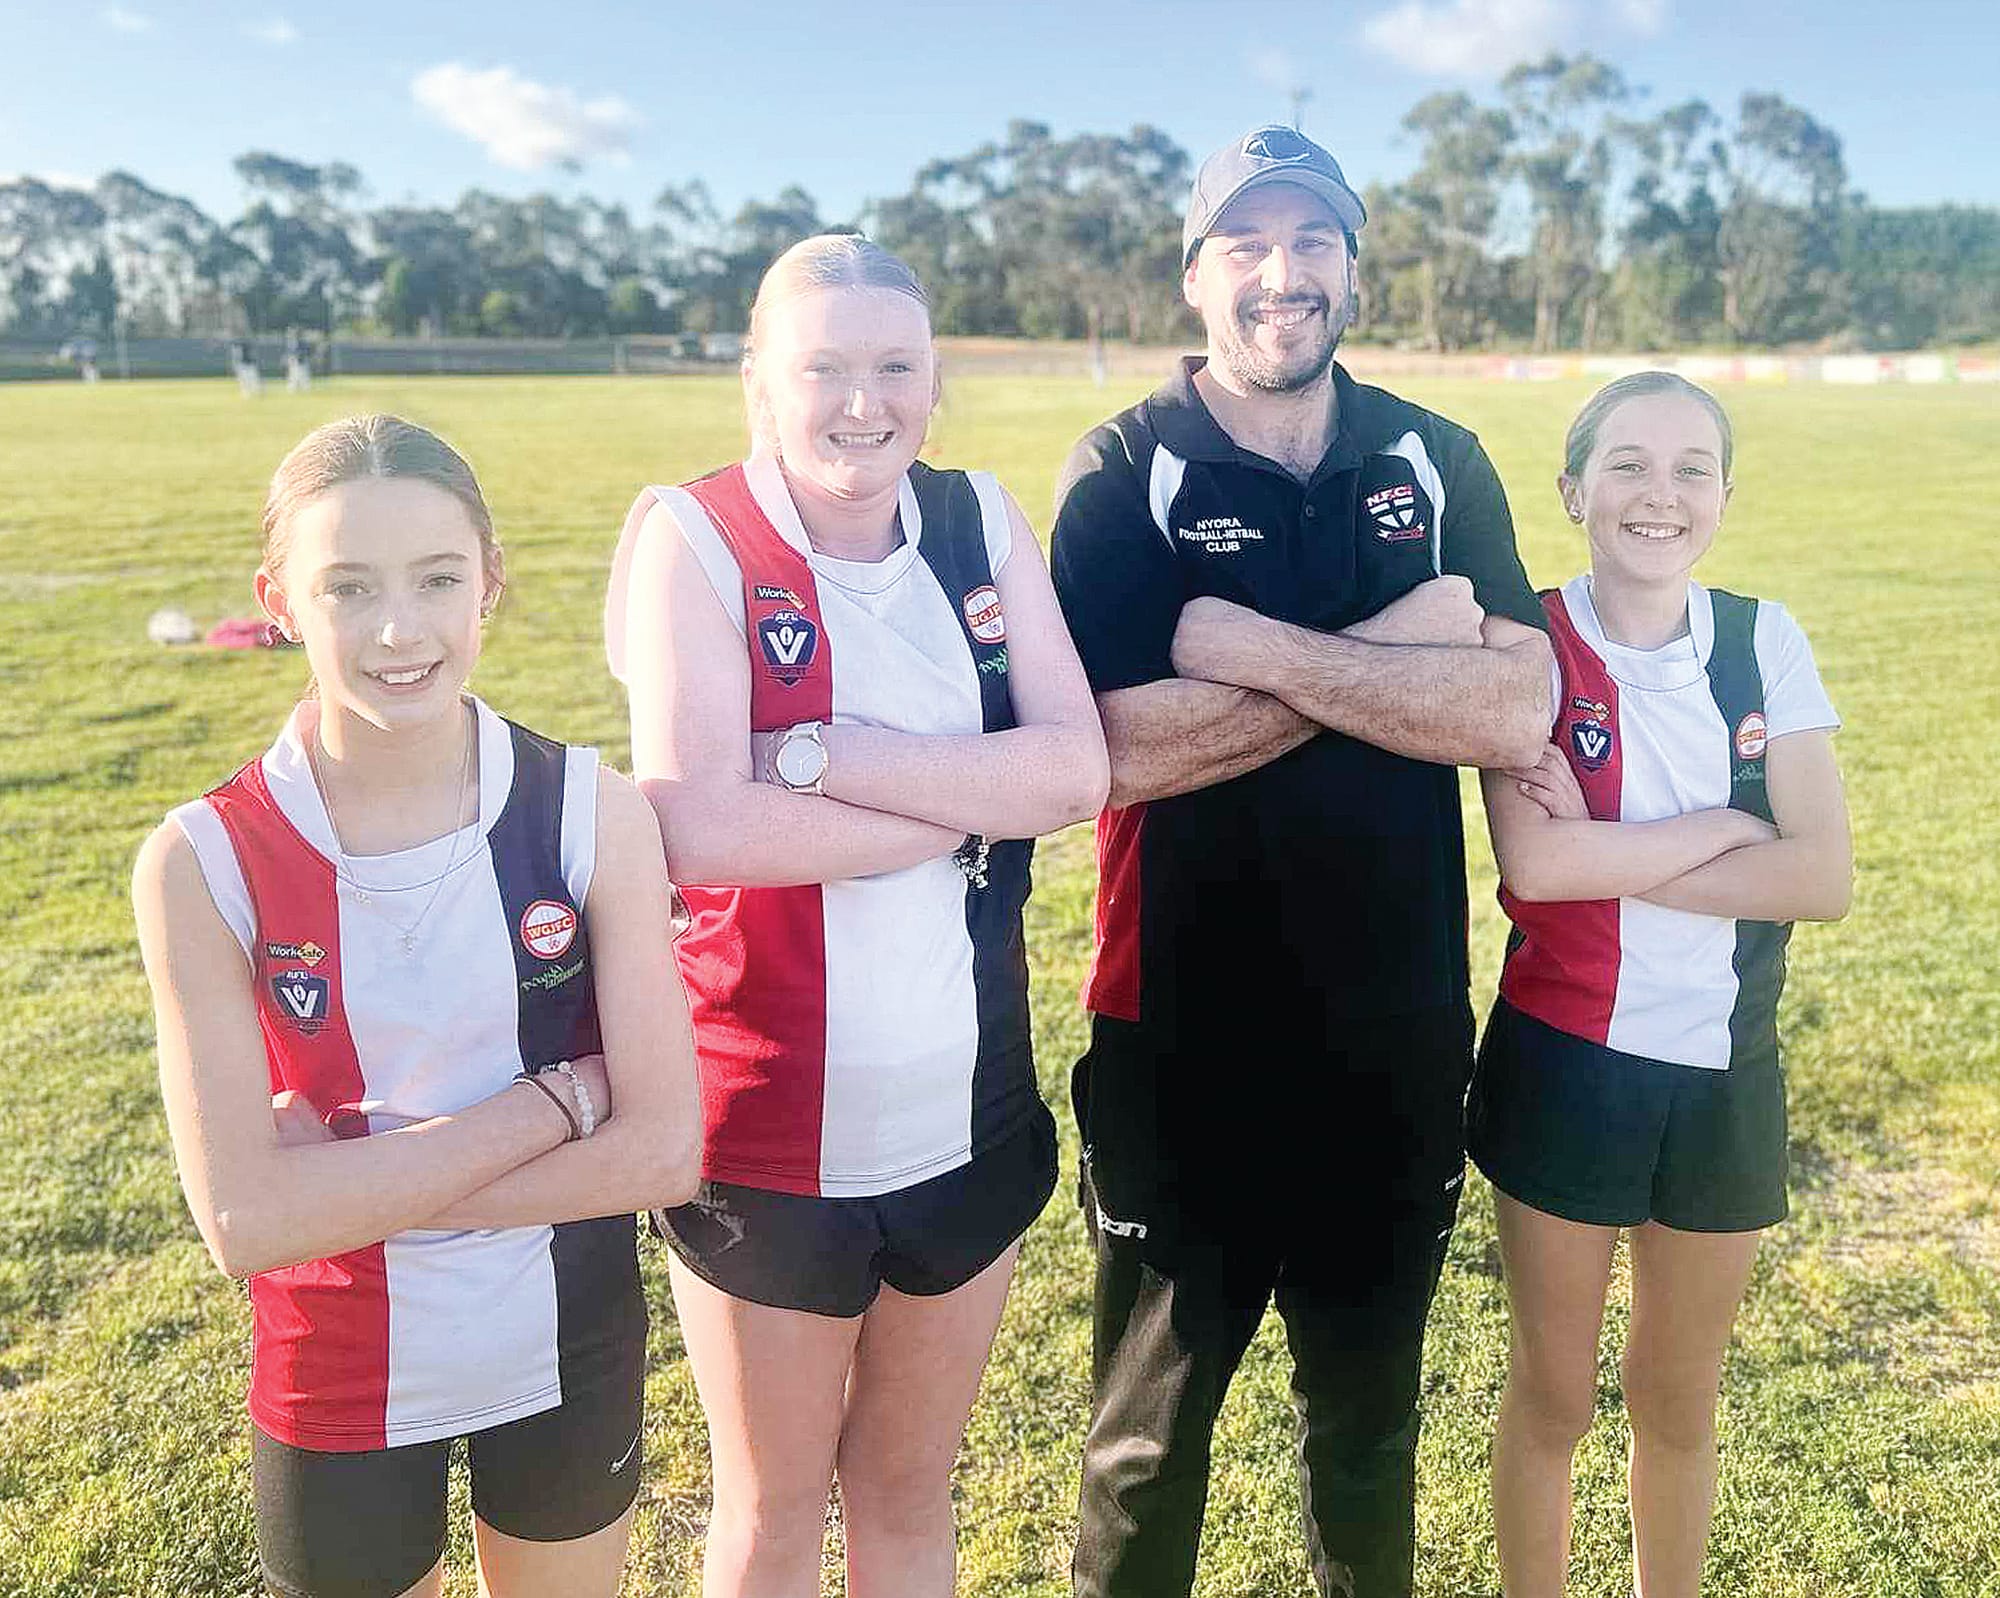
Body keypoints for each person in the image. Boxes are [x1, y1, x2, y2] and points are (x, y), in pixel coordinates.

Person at [1049, 125, 1555, 1598]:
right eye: (1250, 246)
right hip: (1177, 1042)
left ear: (1352, 266)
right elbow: (1113, 751)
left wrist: (1247, 647)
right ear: (1197, 274)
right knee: (1144, 1452)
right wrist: (1403, 650)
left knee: (1368, 1438)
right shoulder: (1127, 467)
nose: (1287, 275)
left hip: (1392, 1040)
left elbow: (1519, 702)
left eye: (1316, 243)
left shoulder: (1432, 456)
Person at [605, 233, 1108, 1598]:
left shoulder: (981, 521)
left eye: (895, 366)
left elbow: (1074, 770)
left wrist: (828, 755)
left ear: (934, 381)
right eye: (823, 367)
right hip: (764, 1125)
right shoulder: (693, 535)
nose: (861, 401)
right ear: (760, 380)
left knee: (904, 1496)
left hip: (969, 1113)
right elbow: (700, 823)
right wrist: (976, 802)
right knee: (767, 1513)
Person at [132, 414, 703, 1598]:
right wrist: (555, 1103)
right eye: (347, 585)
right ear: (278, 598)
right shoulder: (200, 860)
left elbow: (661, 1153)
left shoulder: (588, 807)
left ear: (489, 580)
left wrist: (341, 1188)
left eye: (437, 577)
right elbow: (245, 1222)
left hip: (564, 1332)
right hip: (335, 1359)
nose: (399, 628)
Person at [1470, 372, 1851, 1598]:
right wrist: (1723, 827)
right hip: (1563, 1065)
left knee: (1677, 1398)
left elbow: (1820, 877)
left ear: (1724, 496)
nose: (1659, 493)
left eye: (1691, 468)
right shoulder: (1524, 643)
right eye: (1626, 464)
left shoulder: (1760, 637)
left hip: (1726, 1075)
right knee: (1554, 1391)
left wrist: (1618, 853)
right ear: (1572, 488)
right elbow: (1535, 860)